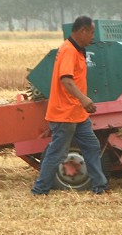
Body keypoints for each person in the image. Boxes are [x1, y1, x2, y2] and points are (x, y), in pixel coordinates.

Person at [31, 16, 109, 196]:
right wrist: (84, 99)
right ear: (82, 31)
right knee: (57, 153)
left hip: (78, 114)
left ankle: (100, 187)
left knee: (92, 146)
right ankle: (39, 190)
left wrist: (81, 103)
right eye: (91, 33)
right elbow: (66, 80)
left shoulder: (78, 50)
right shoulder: (68, 51)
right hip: (64, 114)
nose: (93, 37)